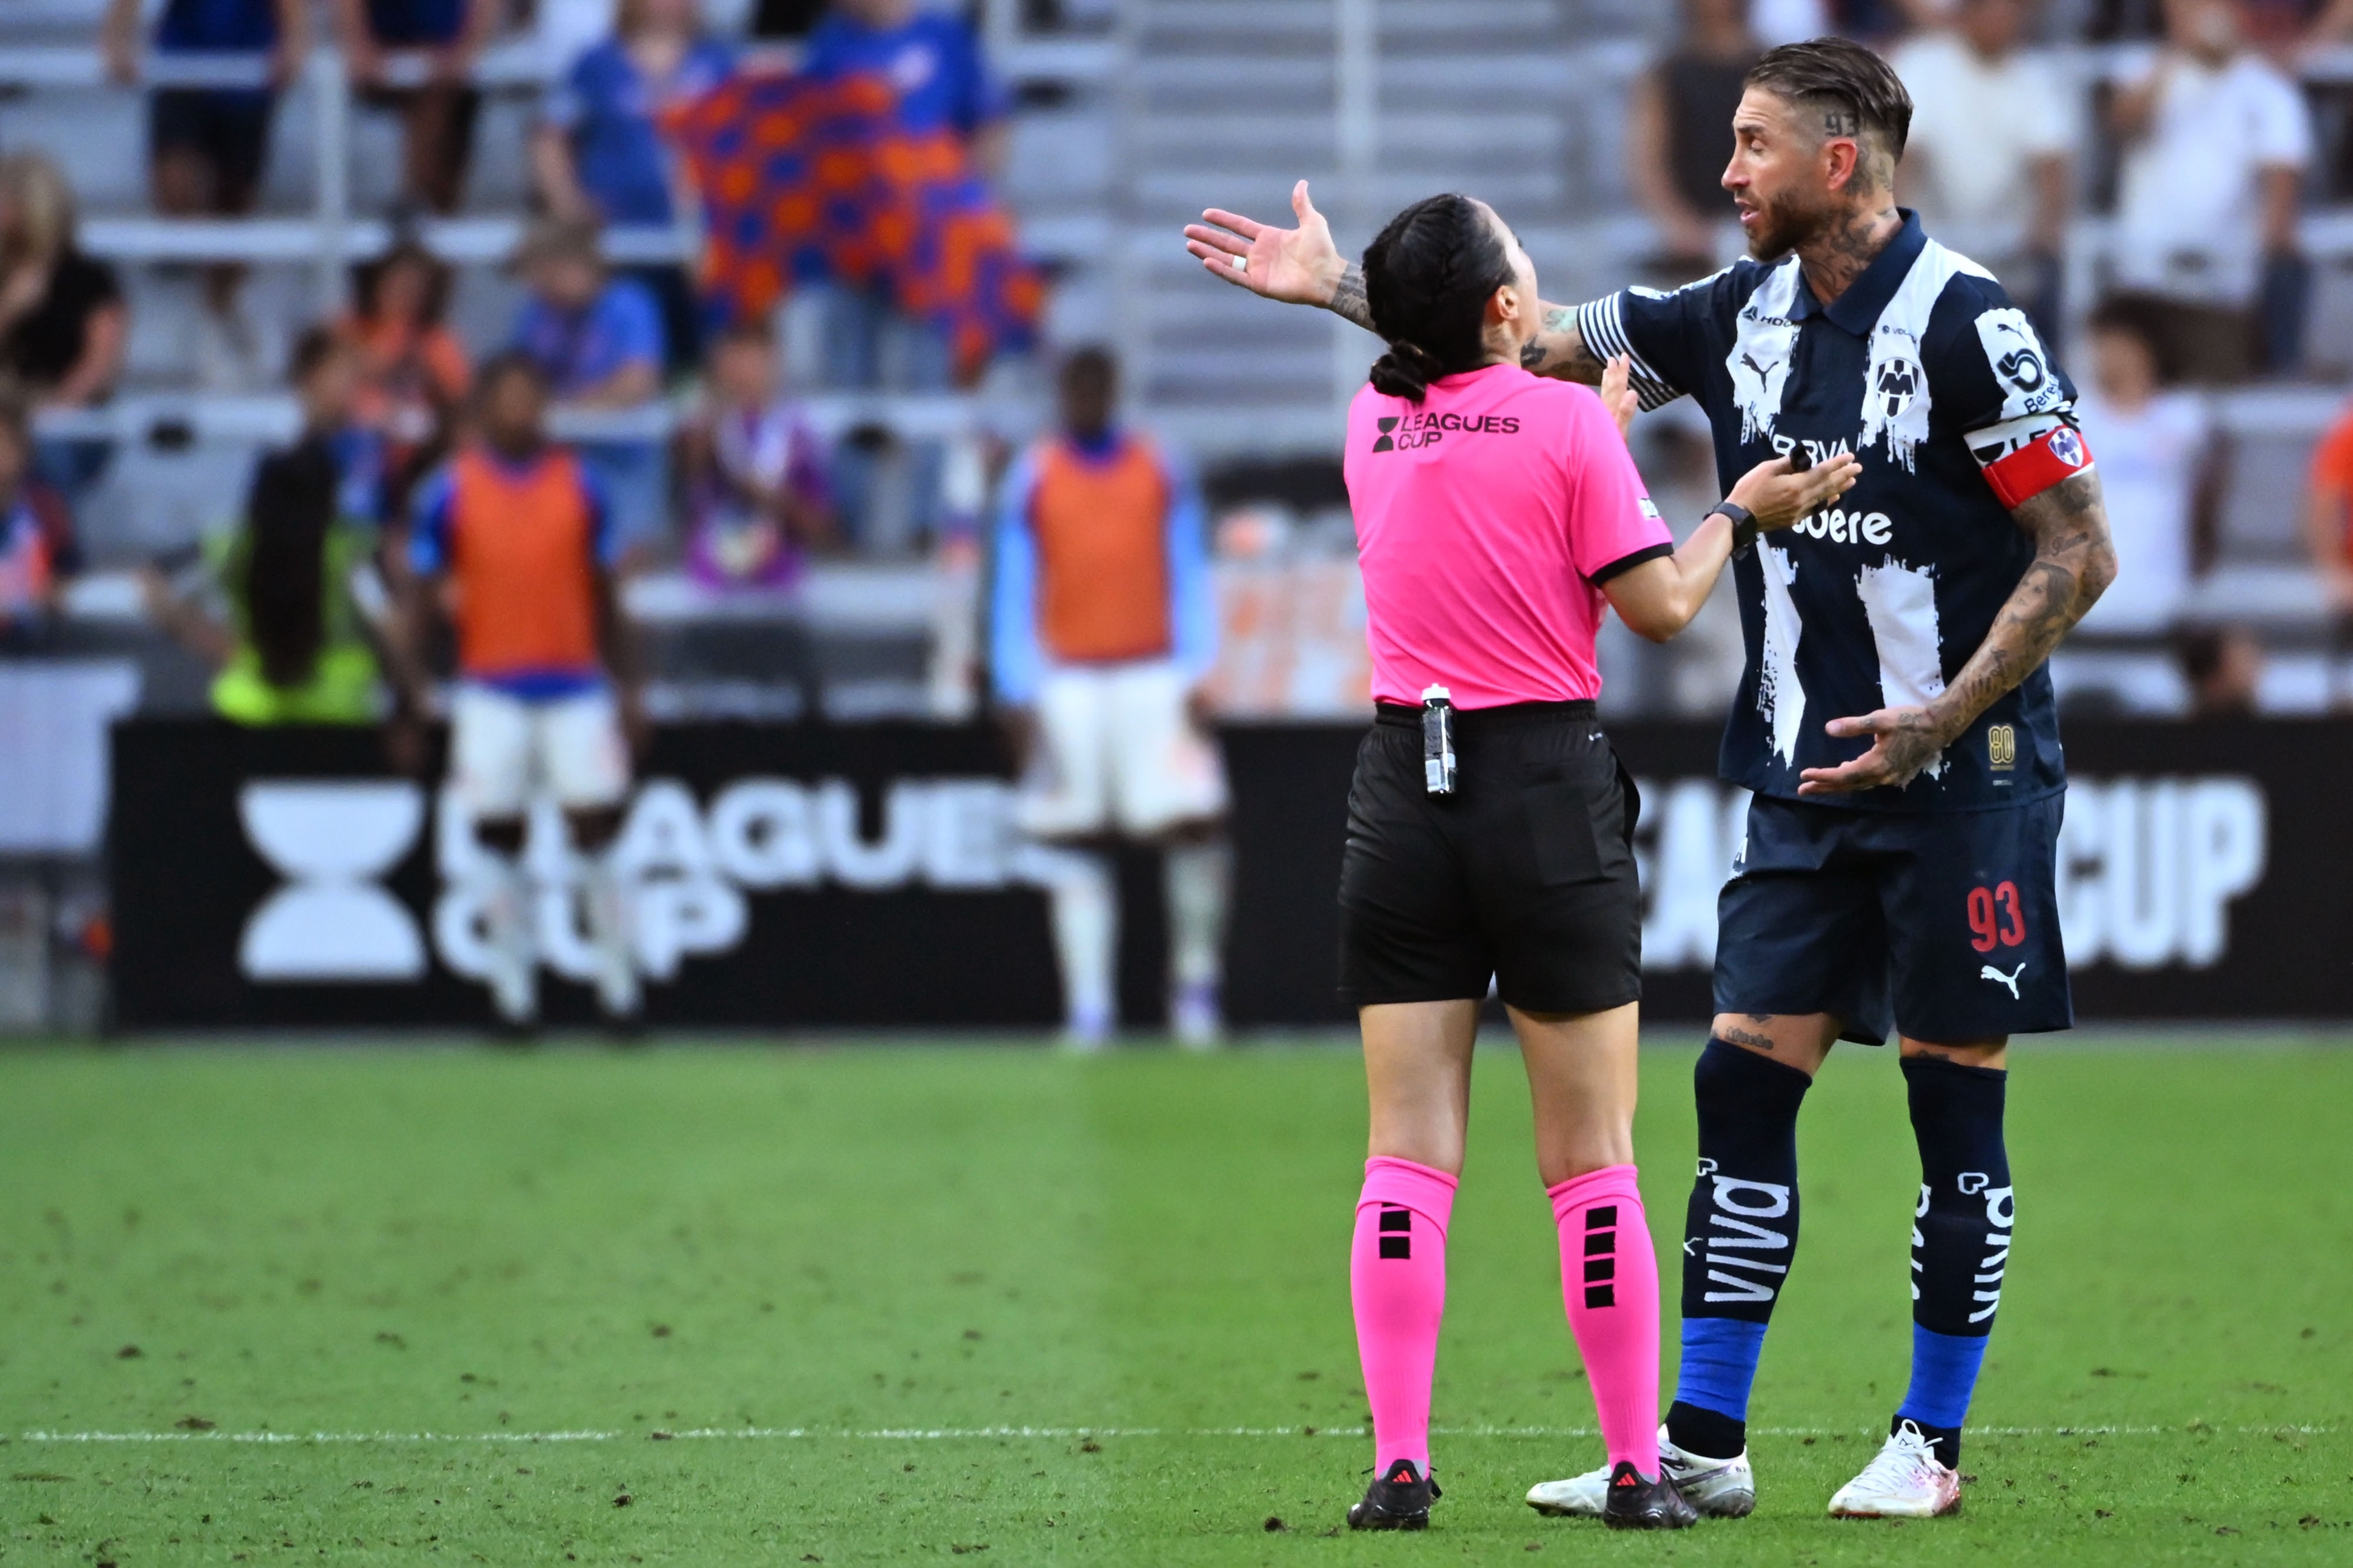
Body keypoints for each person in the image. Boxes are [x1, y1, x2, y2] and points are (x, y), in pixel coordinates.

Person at [1185, 34, 2118, 1523]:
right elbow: (1519, 337)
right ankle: (1698, 1436)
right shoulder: (1724, 310)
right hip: (1801, 770)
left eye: (1751, 146)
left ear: (1838, 158)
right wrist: (1344, 289)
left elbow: (2080, 550)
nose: (1723, 170)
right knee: (1738, 1083)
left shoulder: (1971, 327)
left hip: (1963, 776)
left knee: (1953, 1105)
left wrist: (1940, 715)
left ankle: (1926, 1442)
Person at [1192, 192, 1858, 1529]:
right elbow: (1660, 606)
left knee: (1406, 1155)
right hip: (1542, 796)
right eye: (1520, 263)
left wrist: (1343, 293)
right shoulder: (1561, 426)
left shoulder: (1372, 420)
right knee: (1589, 1156)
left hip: (1401, 795)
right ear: (1504, 306)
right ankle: (1629, 1461)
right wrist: (1739, 505)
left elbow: (1473, 447)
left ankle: (1396, 1459)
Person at [989, 348, 1252, 1049]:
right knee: (1076, 835)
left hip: (1154, 669)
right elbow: (1014, 583)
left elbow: (1187, 568)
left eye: (1096, 383)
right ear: (1061, 392)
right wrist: (1015, 684)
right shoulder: (1034, 474)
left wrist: (1202, 667)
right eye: (1075, 385)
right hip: (1067, 675)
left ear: (1113, 389)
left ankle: (1195, 989)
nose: (1086, 397)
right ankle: (1090, 1007)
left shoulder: (1158, 468)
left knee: (1194, 822)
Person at [400, 351, 646, 1030]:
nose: (522, 411)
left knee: (596, 824)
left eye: (532, 397)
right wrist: (412, 688)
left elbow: (607, 593)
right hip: (490, 686)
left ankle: (620, 990)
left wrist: (630, 687)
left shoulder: (580, 485)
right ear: (483, 409)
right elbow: (422, 595)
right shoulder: (451, 490)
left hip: (575, 683)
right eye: (507, 398)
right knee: (498, 831)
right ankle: (513, 994)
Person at [802, 0, 1011, 392]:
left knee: (927, 374)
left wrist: (959, 205)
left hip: (930, 243)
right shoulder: (830, 43)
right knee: (849, 378)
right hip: (858, 243)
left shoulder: (945, 38)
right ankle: (853, 454)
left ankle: (928, 452)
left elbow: (989, 127)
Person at [102, 0, 308, 388]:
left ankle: (218, 314)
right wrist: (117, 34)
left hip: (249, 62)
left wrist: (294, 37)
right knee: (177, 183)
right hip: (185, 59)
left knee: (234, 205)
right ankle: (212, 309)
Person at [2108, 0, 2312, 381]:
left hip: (2222, 293)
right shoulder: (2145, 70)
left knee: (2209, 389)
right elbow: (2123, 123)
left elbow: (2281, 200)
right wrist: (2175, 50)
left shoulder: (2269, 89)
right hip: (2143, 283)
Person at [532, 0, 733, 375]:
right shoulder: (597, 64)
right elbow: (550, 135)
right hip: (618, 240)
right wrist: (569, 202)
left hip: (697, 238)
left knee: (699, 345)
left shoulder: (716, 61)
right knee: (630, 339)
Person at [1891, 0, 2073, 331]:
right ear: (1968, 14)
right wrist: (1900, 226)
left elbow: (2051, 162)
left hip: (2011, 255)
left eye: (2012, 10)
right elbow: (1907, 155)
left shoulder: (2035, 76)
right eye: (1993, 8)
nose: (2003, 19)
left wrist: (2046, 227)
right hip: (1932, 247)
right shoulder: (1923, 63)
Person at [508, 219, 669, 565]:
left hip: (624, 464)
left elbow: (638, 382)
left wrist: (568, 409)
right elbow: (516, 384)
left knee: (628, 573)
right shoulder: (538, 314)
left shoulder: (629, 304)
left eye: (548, 272)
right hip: (559, 467)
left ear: (577, 264)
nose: (541, 285)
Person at [2071, 298, 2211, 637]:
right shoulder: (2075, 417)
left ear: (2145, 348)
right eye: (2101, 346)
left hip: (2163, 598)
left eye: (2117, 345)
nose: (2107, 356)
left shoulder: (2186, 417)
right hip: (2083, 603)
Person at [0, 154, 127, 505]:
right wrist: (10, 307)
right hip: (12, 405)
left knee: (48, 445)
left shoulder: (88, 279)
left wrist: (56, 405)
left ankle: (54, 547)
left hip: (71, 414)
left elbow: (101, 362)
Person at [676, 318, 834, 593]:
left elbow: (821, 526)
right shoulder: (701, 422)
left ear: (772, 362)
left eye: (751, 359)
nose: (742, 371)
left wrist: (770, 497)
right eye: (733, 360)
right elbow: (688, 475)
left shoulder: (797, 431)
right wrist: (713, 423)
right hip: (711, 574)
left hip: (779, 574)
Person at [1627, 0, 1763, 280]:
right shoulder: (1667, 76)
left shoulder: (1774, 69)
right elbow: (1648, 163)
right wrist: (1684, 227)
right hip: (1695, 240)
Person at [338, 239, 471, 520]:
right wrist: (393, 343)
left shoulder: (436, 340)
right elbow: (336, 387)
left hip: (421, 457)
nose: (407, 293)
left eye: (417, 286)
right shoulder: (350, 330)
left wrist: (429, 368)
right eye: (398, 282)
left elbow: (462, 398)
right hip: (358, 454)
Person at [334, 0, 496, 216]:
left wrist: (466, 48)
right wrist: (360, 44)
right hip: (389, 48)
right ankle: (418, 211)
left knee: (439, 100)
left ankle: (421, 210)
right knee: (433, 98)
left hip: (447, 61)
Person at [0, 396, 81, 652]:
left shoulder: (46, 509)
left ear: (23, 449)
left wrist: (54, 587)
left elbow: (69, 573)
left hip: (30, 647)